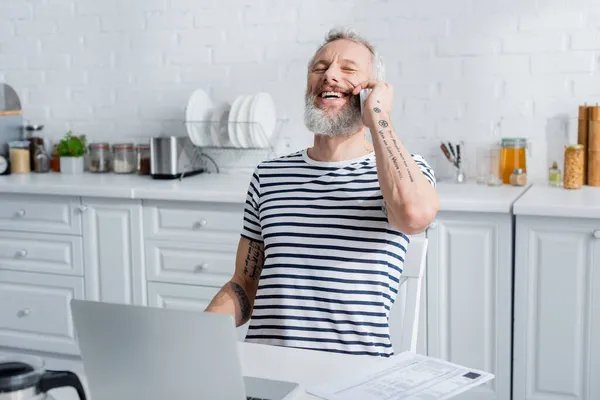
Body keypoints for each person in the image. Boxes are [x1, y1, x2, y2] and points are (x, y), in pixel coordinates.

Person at [205, 27, 439, 358]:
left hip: (353, 379)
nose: (329, 75)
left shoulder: (402, 169)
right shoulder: (270, 175)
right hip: (268, 373)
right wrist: (195, 336)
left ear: (372, 90)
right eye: (319, 68)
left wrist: (378, 116)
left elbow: (413, 214)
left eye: (348, 69)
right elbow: (244, 283)